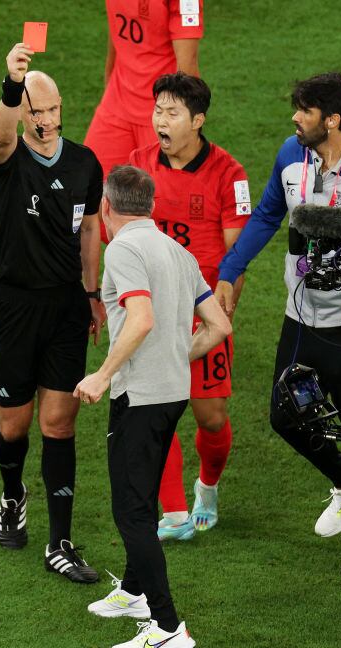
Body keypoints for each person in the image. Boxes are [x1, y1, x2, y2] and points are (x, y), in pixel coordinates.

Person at [215, 73, 341, 578]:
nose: (295, 117)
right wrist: (232, 268)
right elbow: (268, 215)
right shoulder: (288, 156)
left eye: (304, 110)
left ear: (333, 120)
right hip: (298, 315)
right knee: (284, 415)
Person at [76, 165, 231, 648]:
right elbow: (219, 325)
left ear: (107, 208)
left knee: (132, 511)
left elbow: (140, 318)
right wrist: (173, 354)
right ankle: (136, 594)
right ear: (150, 206)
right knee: (139, 499)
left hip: (139, 397)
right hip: (171, 393)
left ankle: (167, 627)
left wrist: (102, 375)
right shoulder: (176, 249)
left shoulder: (122, 249)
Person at [0, 43, 105, 583]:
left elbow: (91, 228)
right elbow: (3, 134)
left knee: (59, 421)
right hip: (12, 305)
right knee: (15, 425)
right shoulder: (6, 160)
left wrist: (94, 291)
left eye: (54, 110)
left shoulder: (84, 163)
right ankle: (13, 494)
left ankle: (60, 541)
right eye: (37, 110)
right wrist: (13, 85)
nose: (47, 120)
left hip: (64, 307)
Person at [128, 72, 251, 540]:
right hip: (153, 312)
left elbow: (235, 253)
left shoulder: (229, 173)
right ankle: (175, 512)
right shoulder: (139, 167)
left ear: (197, 121)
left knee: (211, 417)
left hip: (201, 313)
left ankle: (208, 486)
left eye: (172, 112)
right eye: (158, 110)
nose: (161, 119)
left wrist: (224, 307)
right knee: (156, 410)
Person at [85, 0, 203, 243]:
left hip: (160, 117)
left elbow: (187, 69)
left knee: (161, 220)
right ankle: (89, 283)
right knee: (85, 200)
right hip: (117, 105)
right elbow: (117, 32)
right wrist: (110, 86)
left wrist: (181, 128)